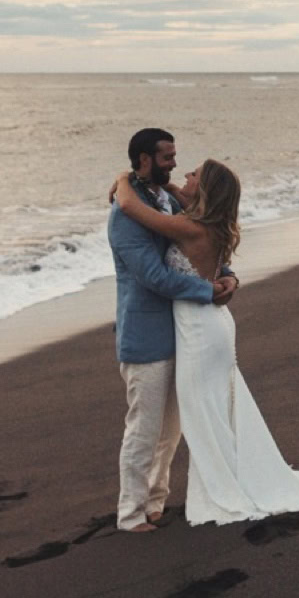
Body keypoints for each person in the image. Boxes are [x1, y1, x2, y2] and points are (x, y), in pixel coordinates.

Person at [110, 157, 299, 524]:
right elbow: (172, 197)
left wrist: (123, 178)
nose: (183, 174)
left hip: (199, 329)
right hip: (210, 325)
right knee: (212, 409)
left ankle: (222, 485)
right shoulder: (209, 222)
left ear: (204, 191)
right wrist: (227, 281)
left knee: (201, 414)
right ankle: (222, 480)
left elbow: (130, 207)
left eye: (192, 174)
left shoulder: (190, 227)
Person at [110, 127, 235, 532]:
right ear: (144, 159)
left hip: (186, 335)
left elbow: (200, 246)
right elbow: (152, 276)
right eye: (167, 157)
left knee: (171, 432)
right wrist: (208, 291)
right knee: (143, 430)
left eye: (177, 156)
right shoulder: (124, 216)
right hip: (145, 338)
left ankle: (156, 501)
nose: (175, 164)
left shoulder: (164, 199)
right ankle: (130, 514)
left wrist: (228, 276)